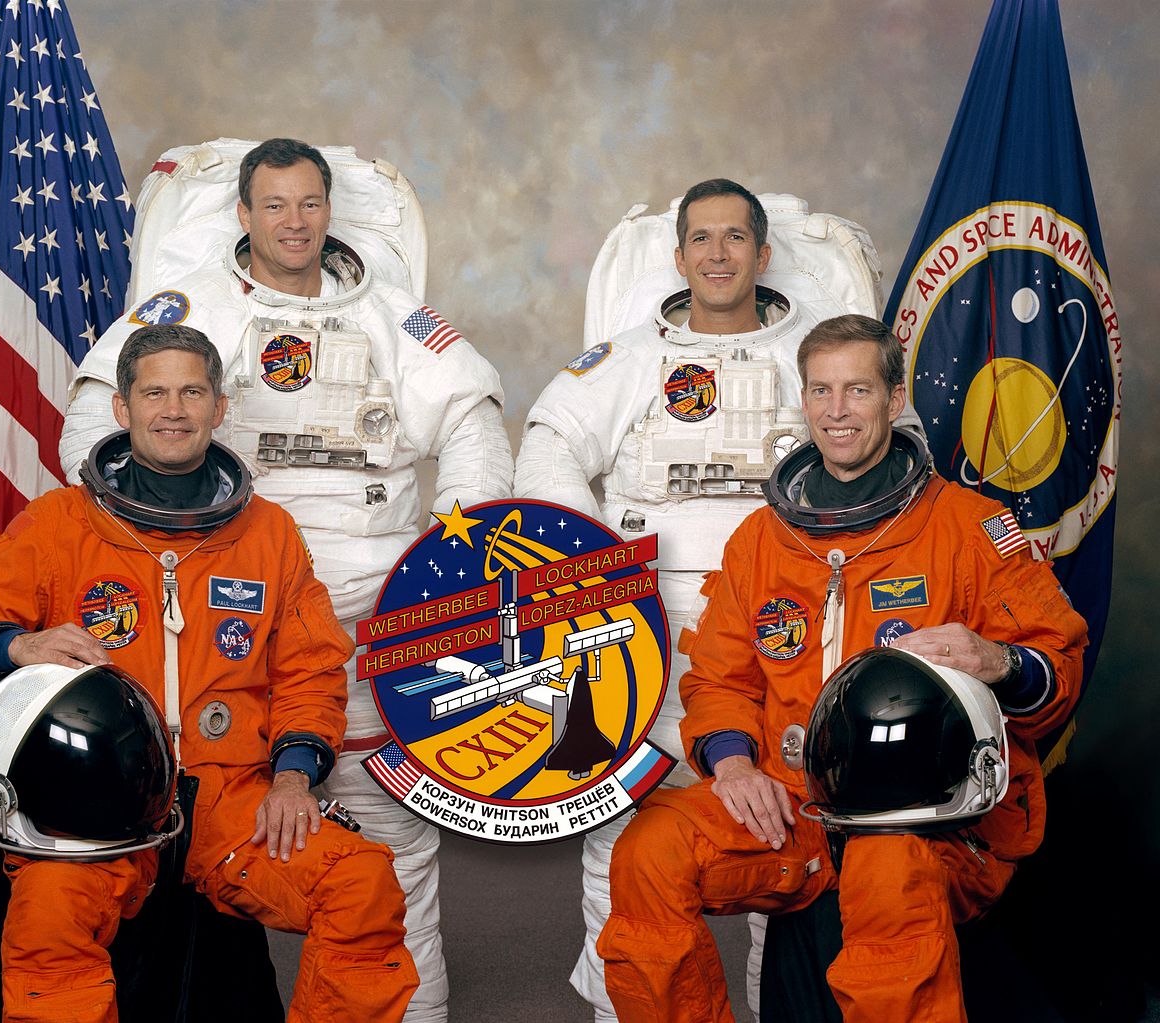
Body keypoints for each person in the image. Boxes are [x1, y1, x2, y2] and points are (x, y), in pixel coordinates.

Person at [59, 138, 513, 1021]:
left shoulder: (398, 317)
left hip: (373, 606)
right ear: (243, 214)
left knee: (391, 837)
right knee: (188, 830)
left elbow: (473, 417)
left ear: (327, 212)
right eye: (275, 206)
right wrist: (164, 528)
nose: (294, 223)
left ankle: (404, 1009)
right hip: (216, 601)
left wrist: (448, 556)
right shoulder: (187, 311)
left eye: (309, 205)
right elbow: (93, 428)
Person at [0, 325, 418, 1023]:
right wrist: (13, 646)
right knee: (50, 918)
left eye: (191, 391)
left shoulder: (266, 533)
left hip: (230, 795)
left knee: (361, 883)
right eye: (154, 392)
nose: (173, 409)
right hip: (96, 802)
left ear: (219, 407)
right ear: (122, 408)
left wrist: (295, 773)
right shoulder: (60, 525)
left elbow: (311, 668)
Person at [594, 313, 1088, 1022]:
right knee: (650, 850)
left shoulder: (969, 529)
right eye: (821, 391)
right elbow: (721, 679)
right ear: (803, 400)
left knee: (888, 875)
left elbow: (1059, 670)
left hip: (931, 816)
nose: (836, 411)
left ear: (893, 401)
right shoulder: (763, 540)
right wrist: (733, 764)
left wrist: (999, 660)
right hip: (796, 805)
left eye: (857, 390)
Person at [514, 179, 918, 1020]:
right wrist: (595, 568)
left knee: (783, 832)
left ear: (764, 255)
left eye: (736, 238)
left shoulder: (813, 362)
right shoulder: (625, 360)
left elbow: (886, 459)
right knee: (625, 840)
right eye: (703, 239)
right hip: (640, 636)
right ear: (679, 256)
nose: (719, 254)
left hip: (784, 641)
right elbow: (549, 441)